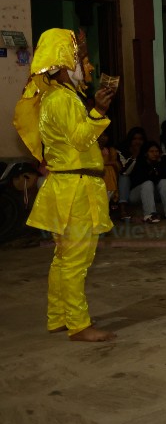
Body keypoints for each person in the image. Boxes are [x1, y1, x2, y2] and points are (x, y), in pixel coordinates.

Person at [12, 28, 118, 341]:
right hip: (76, 190)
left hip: (66, 187)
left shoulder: (56, 98)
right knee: (76, 261)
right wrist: (99, 111)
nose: (87, 67)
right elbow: (81, 137)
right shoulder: (65, 100)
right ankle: (80, 325)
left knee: (62, 259)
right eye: (80, 59)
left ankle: (58, 318)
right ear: (62, 65)